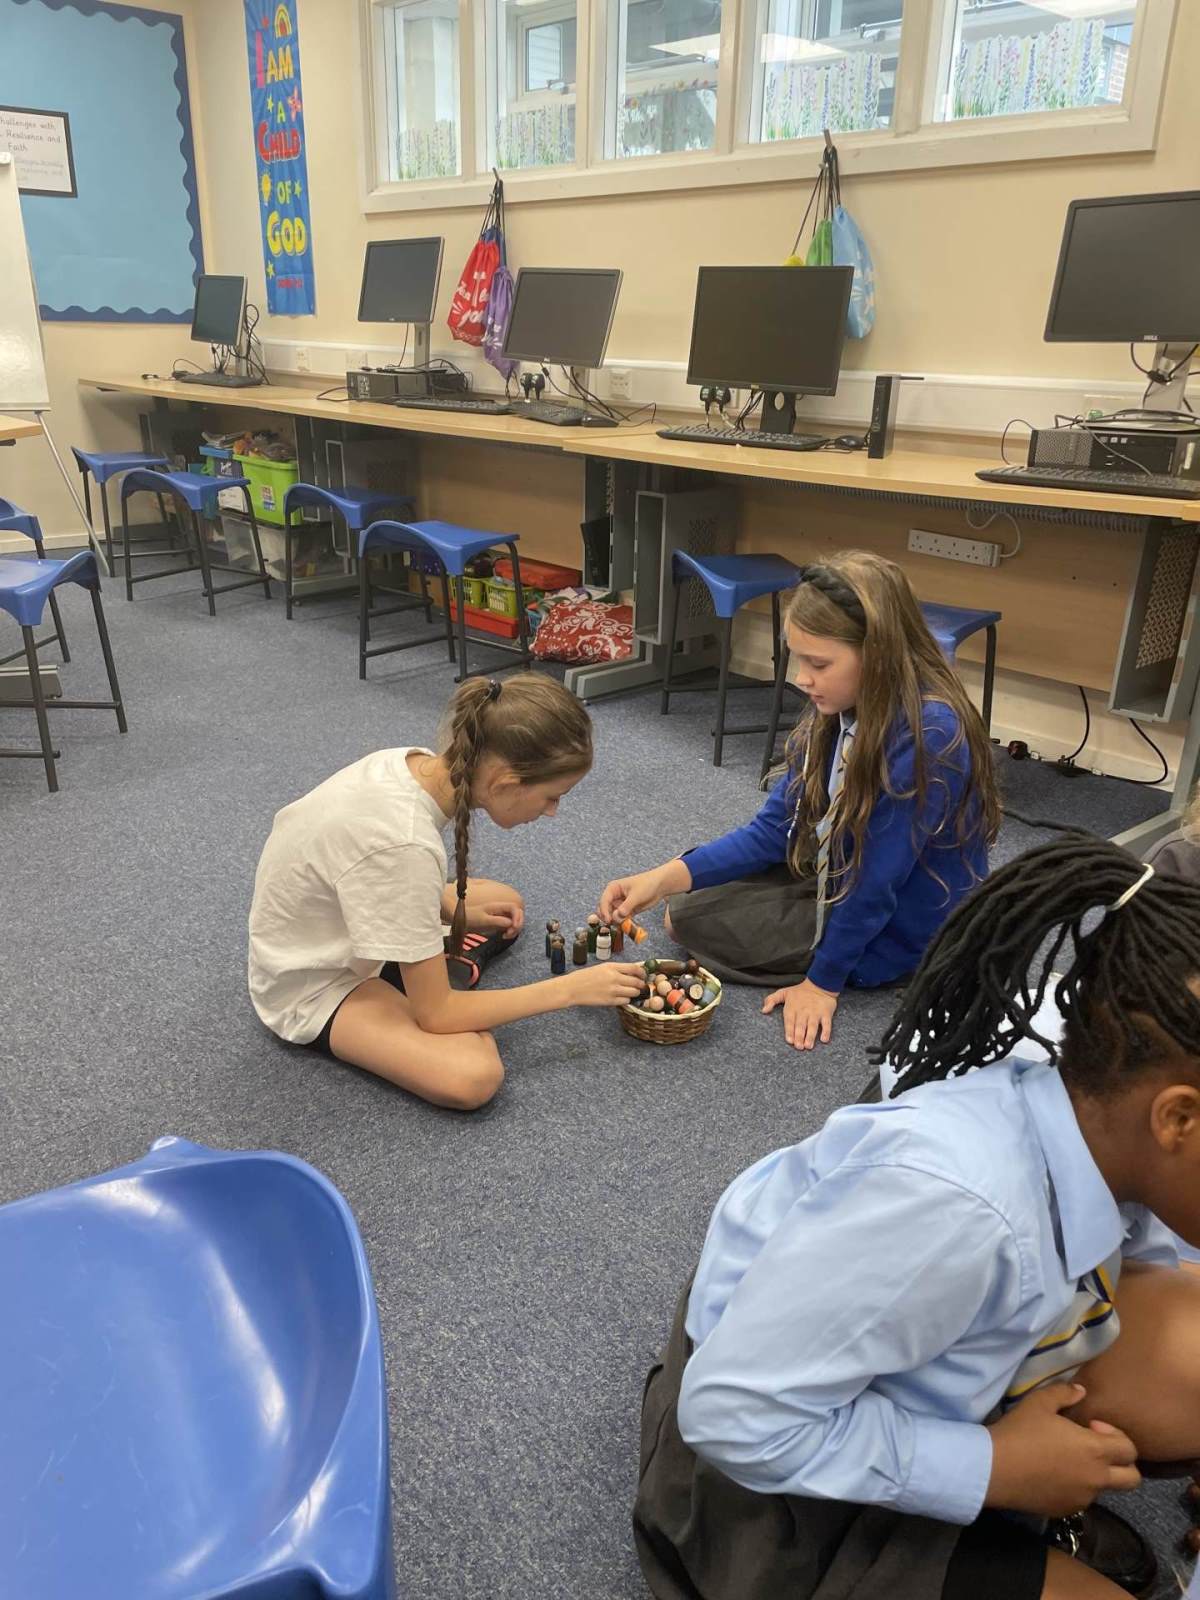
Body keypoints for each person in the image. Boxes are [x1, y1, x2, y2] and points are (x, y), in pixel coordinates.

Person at [634, 835, 1200, 1600]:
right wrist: (992, 1469)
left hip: (888, 1335)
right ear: (1177, 1120)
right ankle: (973, 1514)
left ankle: (994, 1503)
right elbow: (731, 1413)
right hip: (759, 1482)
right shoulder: (957, 1205)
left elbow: (1139, 1252)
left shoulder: (1106, 1061)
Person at [600, 552, 999, 1049]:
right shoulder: (843, 708)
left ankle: (853, 957)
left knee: (684, 922)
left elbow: (877, 881)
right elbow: (772, 831)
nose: (802, 678)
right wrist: (660, 877)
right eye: (798, 658)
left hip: (902, 924)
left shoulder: (929, 735)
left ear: (876, 654)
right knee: (679, 904)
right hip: (837, 869)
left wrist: (823, 984)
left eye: (819, 663)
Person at [248, 673, 644, 1110]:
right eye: (552, 796)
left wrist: (443, 909)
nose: (552, 812)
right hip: (314, 983)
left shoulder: (415, 762)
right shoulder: (405, 846)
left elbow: (369, 866)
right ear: (505, 783)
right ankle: (429, 974)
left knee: (504, 902)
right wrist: (570, 989)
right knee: (473, 1074)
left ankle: (427, 963)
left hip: (342, 913)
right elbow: (436, 1016)